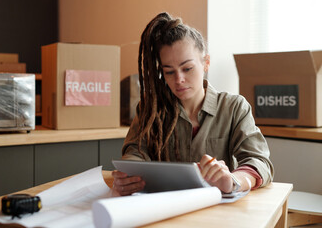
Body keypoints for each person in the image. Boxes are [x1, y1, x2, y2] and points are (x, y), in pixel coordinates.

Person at [112, 12, 274, 196]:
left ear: (206, 63)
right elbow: (135, 152)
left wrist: (234, 181)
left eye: (187, 68)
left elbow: (259, 161)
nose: (179, 79)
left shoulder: (234, 107)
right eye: (169, 72)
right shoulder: (151, 109)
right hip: (164, 208)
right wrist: (129, 176)